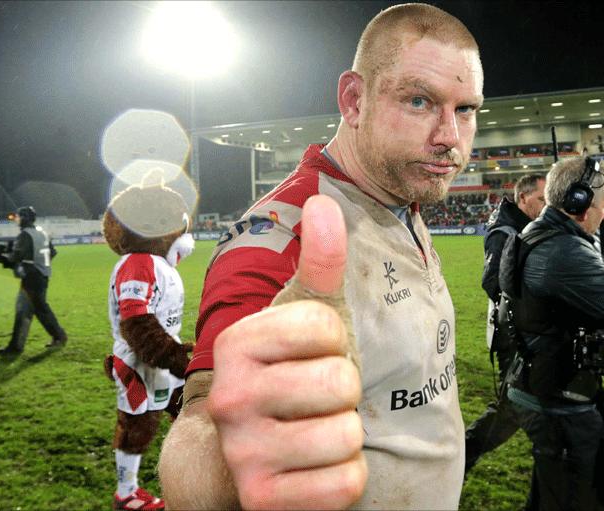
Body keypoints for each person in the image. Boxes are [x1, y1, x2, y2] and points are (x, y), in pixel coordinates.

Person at [157, 4, 483, 509]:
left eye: (466, 109)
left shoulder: (400, 195)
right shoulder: (287, 232)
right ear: (354, 101)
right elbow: (206, 414)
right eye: (420, 100)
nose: (450, 138)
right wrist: (224, 465)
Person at [502, 157, 604, 510]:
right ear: (579, 205)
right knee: (571, 498)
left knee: (574, 488)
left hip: (553, 387)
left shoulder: (538, 233)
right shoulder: (565, 252)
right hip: (558, 401)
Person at [103, 184, 196, 511]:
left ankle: (196, 479)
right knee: (137, 426)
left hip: (162, 363)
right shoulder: (139, 262)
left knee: (192, 411)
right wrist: (175, 358)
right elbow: (137, 321)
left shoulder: (158, 264)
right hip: (142, 365)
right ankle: (125, 493)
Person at [464, 173, 545, 472]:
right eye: (541, 199)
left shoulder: (524, 226)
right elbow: (493, 282)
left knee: (517, 410)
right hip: (513, 335)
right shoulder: (505, 231)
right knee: (510, 411)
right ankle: (460, 458)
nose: (546, 206)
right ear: (523, 198)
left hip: (525, 332)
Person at [0, 206, 67, 355]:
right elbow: (52, 252)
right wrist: (41, 263)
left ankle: (17, 347)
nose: (17, 219)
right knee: (33, 309)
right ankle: (56, 337)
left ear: (24, 218)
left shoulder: (25, 235)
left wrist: (0, 256)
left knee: (30, 309)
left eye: (19, 216)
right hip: (42, 275)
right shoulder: (42, 232)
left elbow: (16, 257)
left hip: (32, 277)